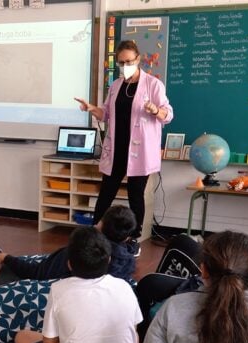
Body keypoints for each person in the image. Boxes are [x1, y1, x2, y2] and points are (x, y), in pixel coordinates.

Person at [14, 226, 142, 343]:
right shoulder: (124, 287)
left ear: (69, 263)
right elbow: (133, 336)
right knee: (132, 337)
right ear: (109, 259)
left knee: (22, 337)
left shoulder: (58, 289)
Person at [74, 40, 174, 256]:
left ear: (138, 59)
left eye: (129, 61)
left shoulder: (153, 85)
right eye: (121, 62)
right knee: (106, 193)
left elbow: (168, 115)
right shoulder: (116, 85)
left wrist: (155, 110)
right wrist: (91, 109)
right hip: (117, 149)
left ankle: (133, 239)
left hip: (140, 152)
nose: (125, 65)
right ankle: (96, 234)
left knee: (135, 196)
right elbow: (106, 114)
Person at [0, 205, 137, 292]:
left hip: (29, 290)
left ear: (100, 226)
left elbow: (38, 273)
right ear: (127, 236)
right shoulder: (126, 263)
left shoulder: (82, 250)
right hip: (45, 286)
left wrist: (5, 257)